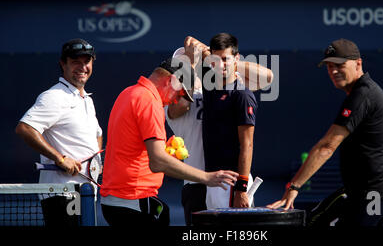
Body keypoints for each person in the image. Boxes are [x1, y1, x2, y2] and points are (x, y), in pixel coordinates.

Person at [268, 38, 383, 226]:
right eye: (329, 66)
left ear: (358, 63)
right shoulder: (370, 92)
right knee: (316, 218)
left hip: (373, 196)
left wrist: (294, 187)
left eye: (340, 65)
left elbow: (327, 147)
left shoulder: (362, 96)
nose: (334, 71)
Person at [99, 57, 239, 227]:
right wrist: (206, 177)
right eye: (179, 94)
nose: (175, 101)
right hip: (133, 201)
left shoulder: (129, 92)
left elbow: (133, 147)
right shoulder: (150, 101)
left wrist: (163, 151)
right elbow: (157, 162)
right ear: (171, 80)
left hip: (116, 201)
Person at [165, 36, 273, 224]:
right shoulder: (173, 101)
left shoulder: (222, 88)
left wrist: (217, 58)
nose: (193, 65)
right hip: (195, 182)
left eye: (194, 62)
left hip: (225, 179)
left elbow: (267, 77)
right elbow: (181, 105)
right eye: (183, 65)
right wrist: (192, 65)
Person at [15, 38, 103, 227]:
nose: (82, 67)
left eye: (86, 61)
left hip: (86, 191)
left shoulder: (86, 99)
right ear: (63, 64)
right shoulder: (53, 97)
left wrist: (95, 162)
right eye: (75, 62)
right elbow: (25, 128)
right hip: (63, 192)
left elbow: (97, 132)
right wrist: (60, 158)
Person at [199, 33, 259, 209]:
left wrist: (240, 189)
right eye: (216, 60)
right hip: (213, 180)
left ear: (237, 59)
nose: (221, 65)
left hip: (232, 183)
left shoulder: (242, 95)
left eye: (226, 59)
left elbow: (247, 145)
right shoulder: (209, 85)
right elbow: (191, 41)